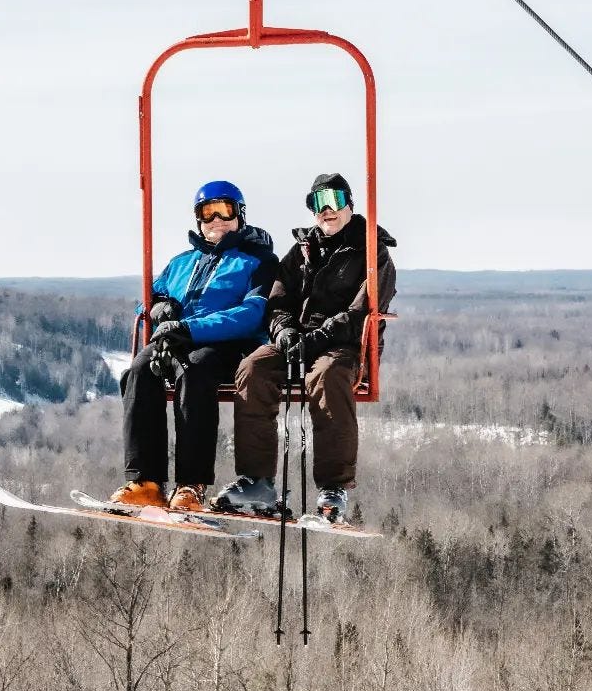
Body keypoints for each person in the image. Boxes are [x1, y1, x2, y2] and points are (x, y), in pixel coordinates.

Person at [217, 173, 396, 522]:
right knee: (253, 368)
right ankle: (257, 481)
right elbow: (278, 299)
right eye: (317, 203)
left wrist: (317, 337)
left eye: (333, 201)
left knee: (328, 379)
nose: (326, 211)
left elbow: (362, 312)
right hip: (298, 341)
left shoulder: (373, 251)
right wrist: (283, 331)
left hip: (343, 347)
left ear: (349, 203)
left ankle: (333, 487)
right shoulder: (302, 250)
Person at [111, 181, 279, 512]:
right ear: (198, 218)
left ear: (240, 215)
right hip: (174, 340)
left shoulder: (256, 261)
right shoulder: (181, 263)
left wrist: (190, 328)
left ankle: (191, 483)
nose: (216, 220)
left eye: (225, 210)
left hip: (225, 344)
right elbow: (148, 301)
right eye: (207, 212)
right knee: (139, 372)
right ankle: (146, 481)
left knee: (195, 371)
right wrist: (159, 307)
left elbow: (253, 312)